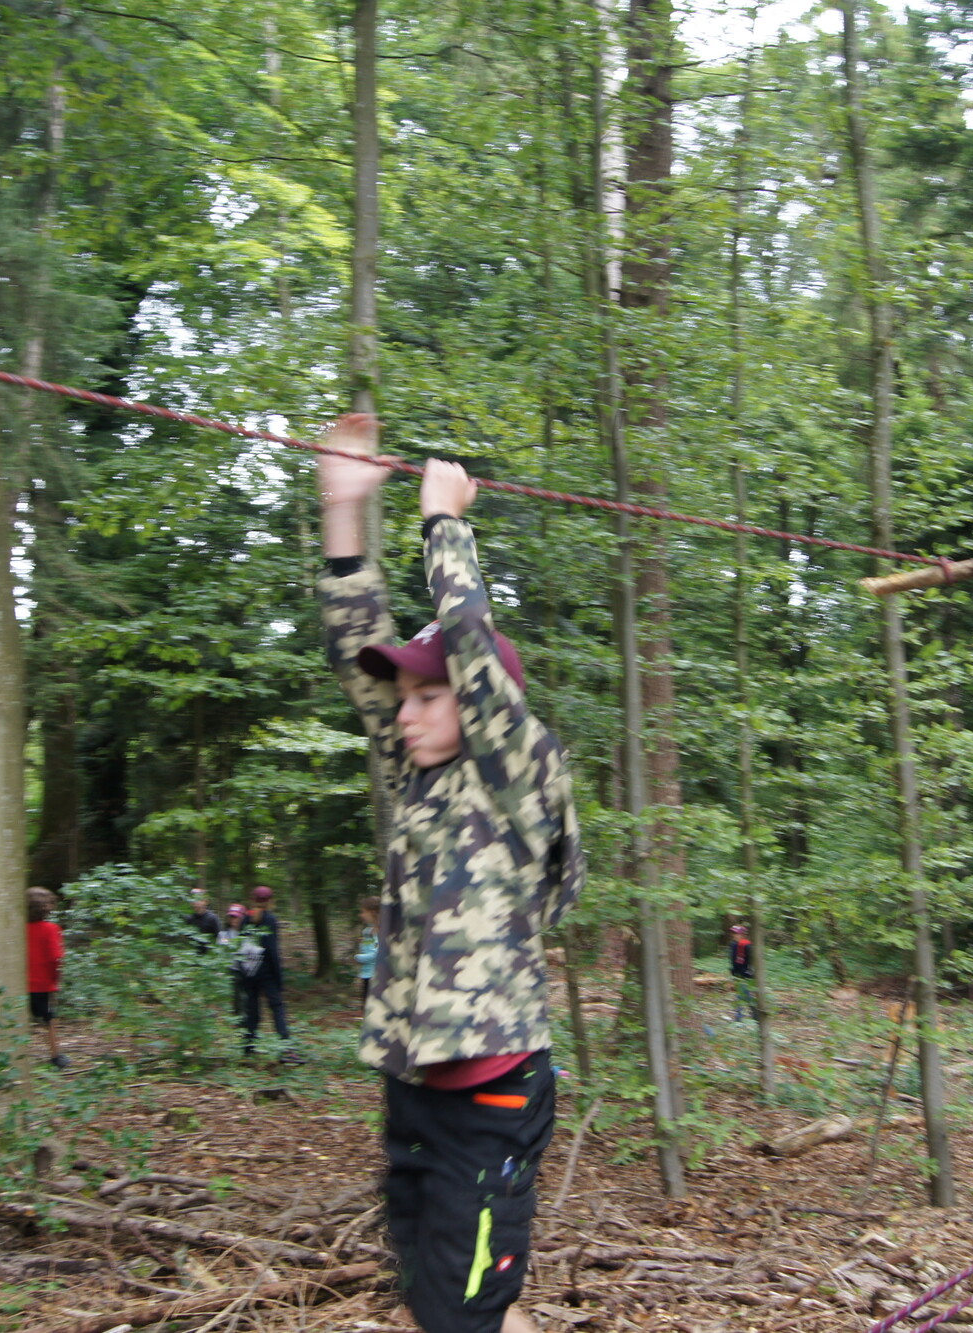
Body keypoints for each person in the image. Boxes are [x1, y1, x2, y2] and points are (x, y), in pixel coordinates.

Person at [316, 413, 584, 1333]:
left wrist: (445, 525)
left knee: (461, 1308)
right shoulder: (418, 775)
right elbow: (355, 651)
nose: (406, 714)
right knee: (443, 1300)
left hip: (492, 1095)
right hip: (417, 1088)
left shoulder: (520, 776)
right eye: (406, 697)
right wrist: (343, 507)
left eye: (428, 696)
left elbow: (470, 648)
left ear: (476, 702)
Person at [235, 885, 295, 1059]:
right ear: (270, 901)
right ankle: (286, 1049)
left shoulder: (245, 920)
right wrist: (278, 977)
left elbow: (240, 946)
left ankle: (248, 1049)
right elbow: (272, 950)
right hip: (267, 973)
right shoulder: (270, 920)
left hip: (248, 972)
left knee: (252, 1010)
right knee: (277, 1008)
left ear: (252, 899)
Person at [26, 886, 71, 1070]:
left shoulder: (15, 929)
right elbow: (56, 957)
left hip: (18, 984)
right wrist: (55, 979)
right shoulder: (51, 929)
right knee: (50, 1019)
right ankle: (55, 1055)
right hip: (43, 984)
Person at [355, 897, 381, 1008]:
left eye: (363, 912)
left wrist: (357, 958)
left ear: (373, 912)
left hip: (375, 975)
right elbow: (369, 947)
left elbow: (376, 954)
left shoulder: (379, 932)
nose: (361, 915)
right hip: (366, 973)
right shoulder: (368, 931)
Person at [728, 922, 755, 1022]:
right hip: (737, 974)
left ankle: (739, 1018)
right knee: (745, 995)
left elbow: (752, 960)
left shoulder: (747, 946)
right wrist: (733, 971)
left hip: (746, 975)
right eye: (733, 933)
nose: (734, 935)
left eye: (736, 933)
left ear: (742, 935)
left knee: (742, 995)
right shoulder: (733, 945)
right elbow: (733, 960)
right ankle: (754, 1015)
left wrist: (750, 972)